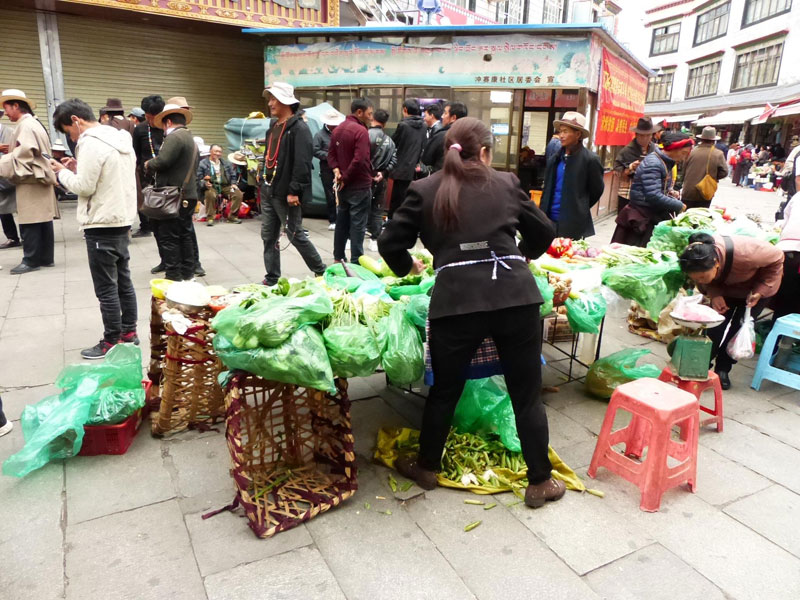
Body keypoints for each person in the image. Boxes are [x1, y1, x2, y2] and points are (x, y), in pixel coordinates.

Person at [378, 117, 564, 508]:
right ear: (484, 152)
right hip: (516, 297)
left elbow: (389, 242)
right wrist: (519, 255)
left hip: (456, 303)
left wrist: (405, 265)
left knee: (444, 390)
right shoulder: (508, 182)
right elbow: (544, 231)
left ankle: (427, 467)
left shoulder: (424, 189)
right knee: (526, 395)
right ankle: (540, 481)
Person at [51, 99, 139, 359]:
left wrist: (60, 173)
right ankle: (129, 333)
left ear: (76, 120)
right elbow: (106, 176)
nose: (71, 136)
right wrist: (76, 168)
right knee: (123, 280)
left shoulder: (89, 141)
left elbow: (84, 187)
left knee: (106, 288)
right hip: (121, 218)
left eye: (69, 130)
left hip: (101, 222)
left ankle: (111, 340)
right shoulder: (120, 137)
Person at [679, 233, 784, 390]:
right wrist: (714, 294)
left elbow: (777, 258)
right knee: (714, 326)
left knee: (738, 329)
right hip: (724, 289)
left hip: (753, 292)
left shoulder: (748, 254)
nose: (699, 281)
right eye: (696, 279)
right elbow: (706, 282)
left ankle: (723, 369)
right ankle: (701, 367)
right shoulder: (698, 257)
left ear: (716, 263)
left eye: (702, 277)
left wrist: (760, 290)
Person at [259, 82, 327, 285]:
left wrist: (294, 190)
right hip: (268, 187)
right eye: (269, 99)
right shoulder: (273, 126)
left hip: (286, 192)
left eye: (274, 99)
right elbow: (268, 155)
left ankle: (320, 270)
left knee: (295, 234)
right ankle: (272, 277)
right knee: (268, 236)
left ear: (286, 102)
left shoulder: (299, 128)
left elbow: (303, 162)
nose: (270, 103)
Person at [0, 89, 57, 275]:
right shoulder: (34, 123)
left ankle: (31, 260)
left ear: (16, 106)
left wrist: (4, 163)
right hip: (39, 176)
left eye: (6, 108)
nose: (5, 113)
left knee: (30, 219)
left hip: (31, 178)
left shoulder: (26, 126)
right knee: (43, 218)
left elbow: (24, 155)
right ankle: (46, 257)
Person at [144, 97, 199, 282]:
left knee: (170, 238)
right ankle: (188, 273)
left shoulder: (175, 137)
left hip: (175, 195)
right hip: (187, 194)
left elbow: (162, 161)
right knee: (184, 235)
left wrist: (148, 164)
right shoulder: (190, 137)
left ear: (168, 121)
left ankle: (174, 276)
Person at [611, 132, 692, 247]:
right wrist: (678, 205)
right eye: (684, 153)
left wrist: (669, 193)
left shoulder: (663, 162)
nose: (684, 158)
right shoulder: (654, 163)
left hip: (648, 213)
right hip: (641, 216)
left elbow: (656, 188)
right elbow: (653, 195)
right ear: (674, 149)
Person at [539, 111, 604, 239]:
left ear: (578, 134)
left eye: (565, 131)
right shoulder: (555, 159)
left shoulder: (590, 160)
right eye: (560, 131)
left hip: (573, 224)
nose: (561, 135)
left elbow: (596, 190)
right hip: (549, 221)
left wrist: (579, 205)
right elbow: (547, 189)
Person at [328, 97, 374, 264]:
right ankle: (356, 260)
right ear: (359, 112)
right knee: (358, 225)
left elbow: (330, 155)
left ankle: (338, 257)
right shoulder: (361, 131)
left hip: (343, 185)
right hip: (358, 185)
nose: (371, 117)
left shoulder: (337, 129)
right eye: (369, 113)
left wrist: (337, 171)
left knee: (342, 222)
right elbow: (360, 159)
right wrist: (345, 177)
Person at [389, 98, 427, 218]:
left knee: (397, 198)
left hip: (401, 167)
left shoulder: (403, 125)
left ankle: (393, 221)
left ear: (405, 110)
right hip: (414, 168)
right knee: (410, 197)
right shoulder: (424, 126)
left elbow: (393, 142)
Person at [613, 117, 659, 214]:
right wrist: (631, 168)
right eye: (642, 136)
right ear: (636, 135)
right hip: (628, 195)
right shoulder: (627, 151)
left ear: (652, 135)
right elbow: (617, 172)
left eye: (648, 135)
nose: (645, 138)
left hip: (648, 193)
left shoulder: (655, 149)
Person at [367, 108, 397, 251]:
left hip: (365, 179)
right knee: (378, 210)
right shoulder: (390, 141)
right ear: (384, 123)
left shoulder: (364, 135)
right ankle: (375, 238)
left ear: (372, 118)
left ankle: (352, 238)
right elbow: (394, 160)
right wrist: (383, 173)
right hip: (381, 179)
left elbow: (360, 157)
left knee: (360, 209)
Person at [680, 127, 728, 209]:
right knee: (701, 217)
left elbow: (683, 170)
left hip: (688, 191)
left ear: (701, 139)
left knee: (685, 216)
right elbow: (724, 172)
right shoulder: (718, 154)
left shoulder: (691, 152)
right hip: (705, 192)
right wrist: (713, 176)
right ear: (713, 140)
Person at [313, 109, 345, 231]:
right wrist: (329, 156)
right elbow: (315, 150)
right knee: (330, 194)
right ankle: (333, 219)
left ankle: (342, 219)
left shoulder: (341, 133)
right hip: (327, 168)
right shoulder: (319, 135)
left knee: (342, 193)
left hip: (341, 167)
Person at [197, 144, 243, 226]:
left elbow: (233, 175)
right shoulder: (202, 164)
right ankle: (210, 217)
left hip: (225, 186)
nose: (218, 153)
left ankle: (232, 216)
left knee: (237, 193)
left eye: (220, 152)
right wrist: (205, 183)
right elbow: (198, 178)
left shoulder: (226, 163)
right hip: (212, 186)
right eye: (216, 151)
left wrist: (233, 184)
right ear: (210, 152)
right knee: (210, 194)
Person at [771, 192, 800, 322]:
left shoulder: (798, 196)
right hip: (793, 250)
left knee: (784, 299)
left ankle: (777, 335)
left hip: (787, 250)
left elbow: (785, 222)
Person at [420, 101, 467, 175]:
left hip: (442, 178)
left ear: (453, 118)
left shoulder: (442, 136)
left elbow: (426, 159)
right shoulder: (469, 136)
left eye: (445, 113)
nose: (442, 116)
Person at [0, 108, 20, 250]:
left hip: (8, 174)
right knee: (2, 210)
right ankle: (12, 237)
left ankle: (28, 235)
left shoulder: (10, 132)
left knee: (21, 206)